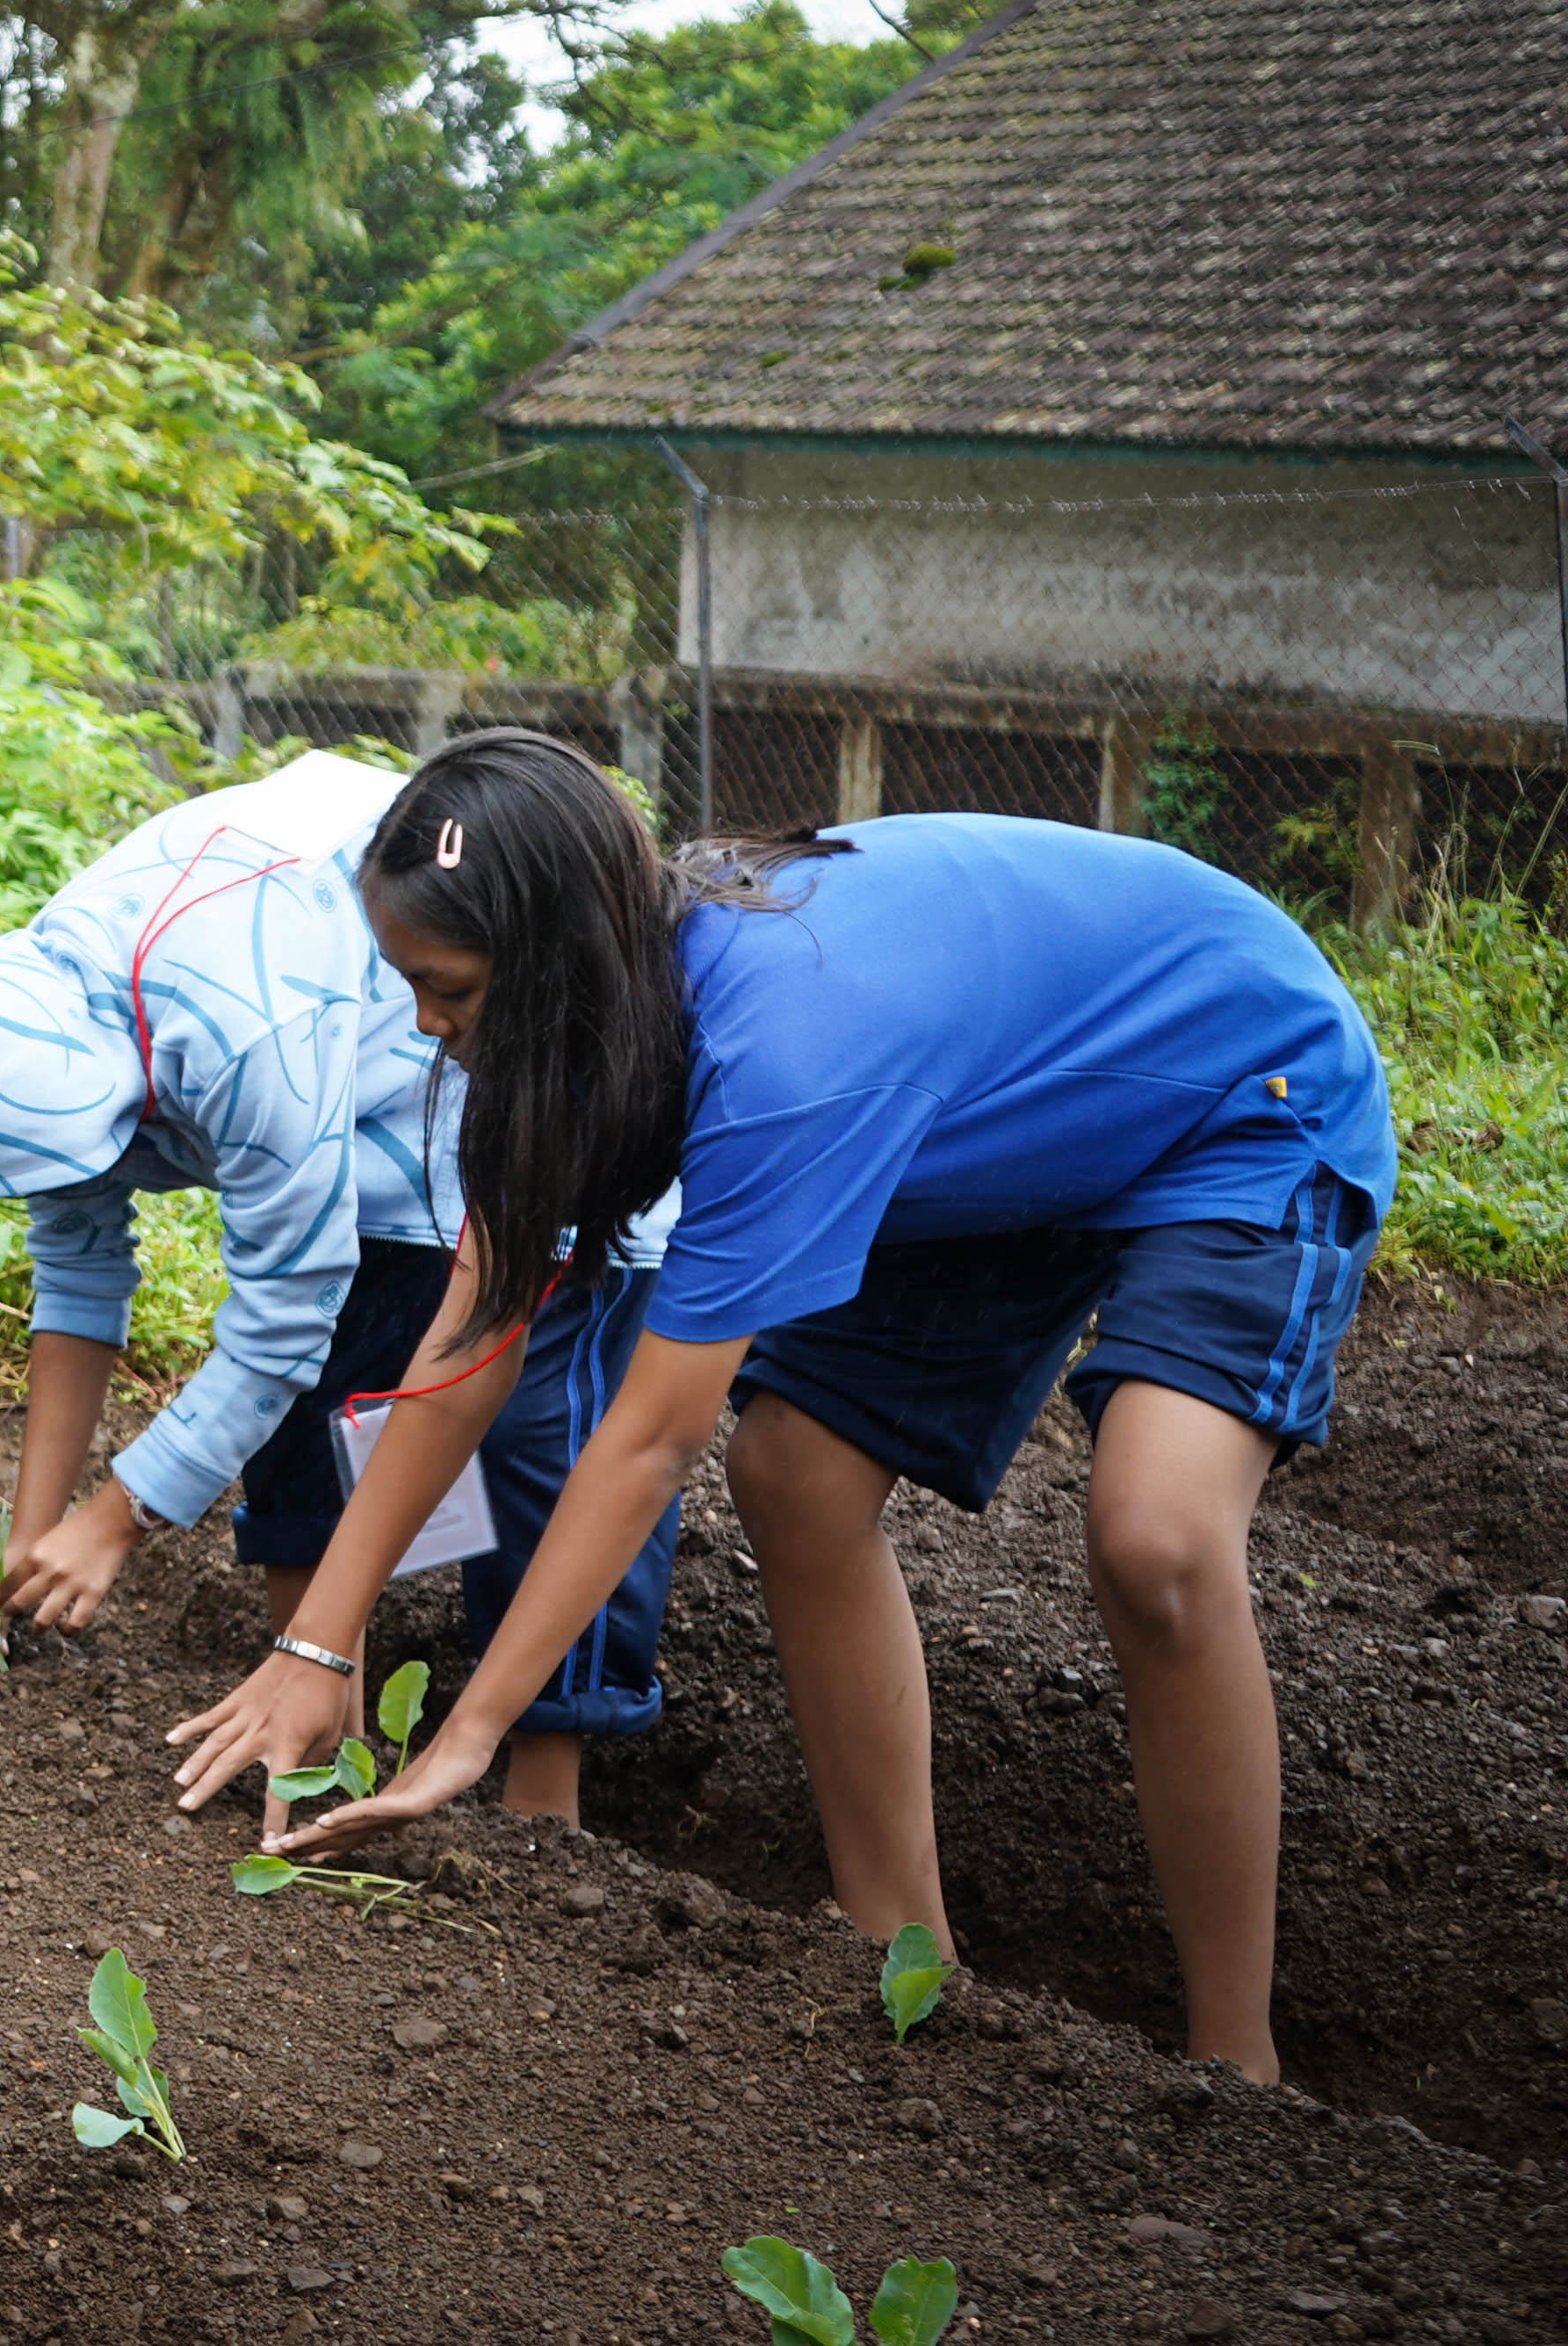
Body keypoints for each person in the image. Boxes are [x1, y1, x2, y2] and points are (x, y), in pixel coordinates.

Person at [189, 730, 1386, 2085]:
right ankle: (905, 1951)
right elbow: (465, 1346)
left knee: (1157, 1542)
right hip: (984, 1132)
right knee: (798, 1474)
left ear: (550, 964)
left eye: (444, 987)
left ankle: (1239, 2065)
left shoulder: (784, 1046)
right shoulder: (584, 1032)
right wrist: (317, 1645)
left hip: (1234, 1094)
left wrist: (470, 1738)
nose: (422, 1021)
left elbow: (647, 1443)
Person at [0, 749, 679, 1821]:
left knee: (537, 1441)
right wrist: (29, 1537)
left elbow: (281, 1317)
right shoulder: (38, 1027)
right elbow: (78, 1261)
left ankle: (543, 1813)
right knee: (313, 1426)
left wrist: (118, 1516)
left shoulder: (245, 1029)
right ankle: (330, 1742)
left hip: (540, 1087)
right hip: (377, 1115)